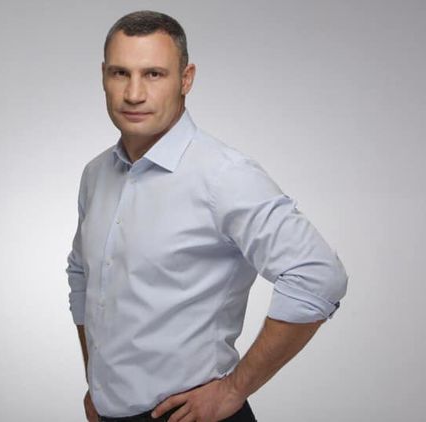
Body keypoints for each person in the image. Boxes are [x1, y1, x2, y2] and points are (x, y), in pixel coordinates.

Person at [66, 10, 348, 422]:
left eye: (154, 74)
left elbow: (319, 276)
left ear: (186, 79)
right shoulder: (96, 175)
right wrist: (99, 384)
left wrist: (234, 389)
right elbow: (83, 277)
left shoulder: (223, 176)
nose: (134, 93)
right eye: (120, 73)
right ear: (103, 76)